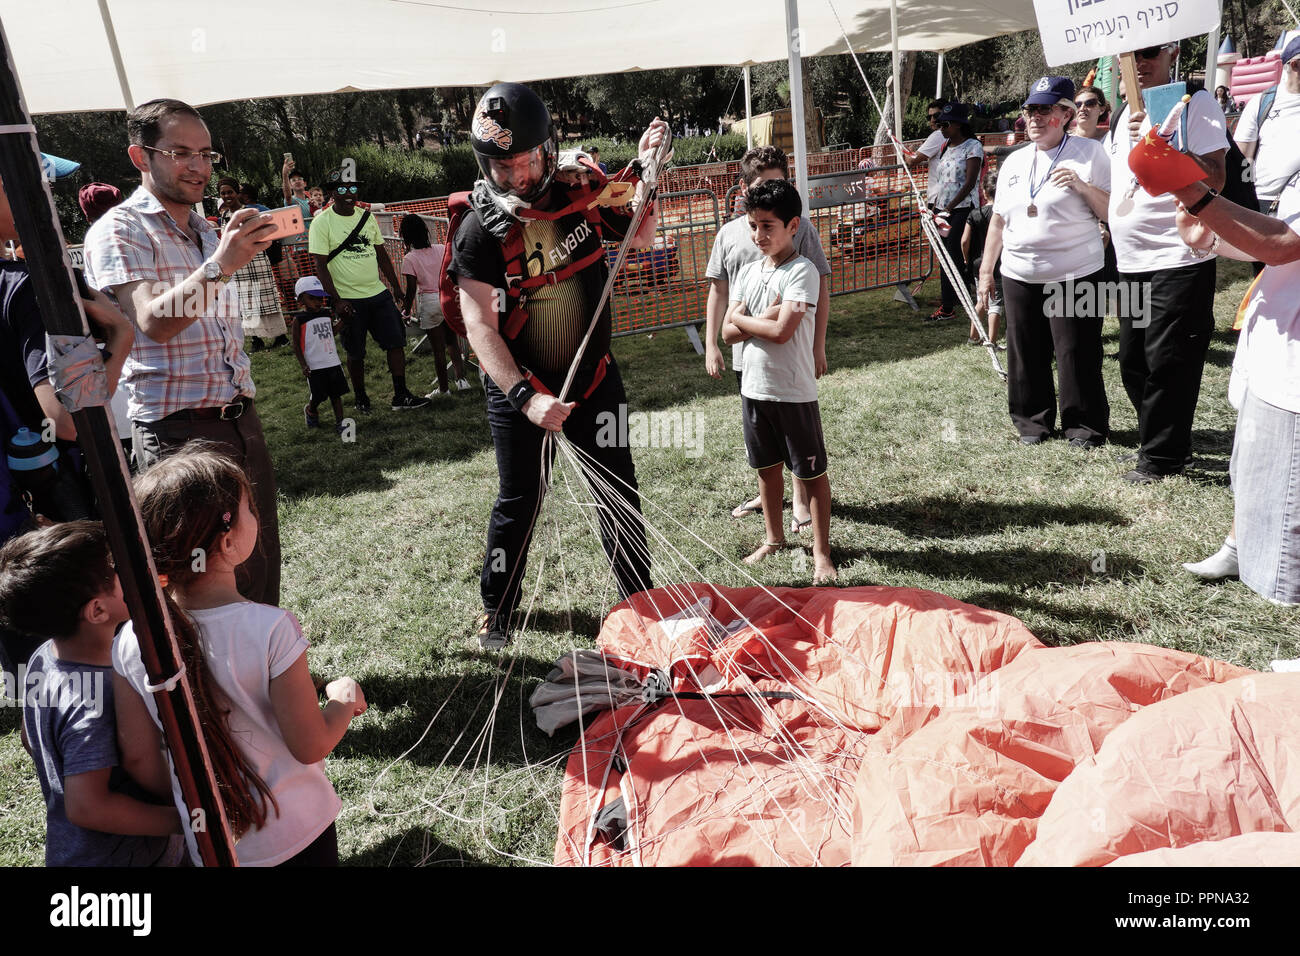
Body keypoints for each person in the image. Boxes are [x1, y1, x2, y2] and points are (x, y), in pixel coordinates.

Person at [449, 82, 664, 649]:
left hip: (593, 379)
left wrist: (647, 171)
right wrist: (526, 398)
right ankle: (497, 606)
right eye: (503, 167)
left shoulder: (584, 193)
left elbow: (641, 233)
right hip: (521, 390)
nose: (518, 178)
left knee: (618, 491)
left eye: (526, 162)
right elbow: (480, 327)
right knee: (520, 500)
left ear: (548, 150)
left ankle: (637, 604)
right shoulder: (478, 232)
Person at [113, 444, 368, 865]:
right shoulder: (271, 629)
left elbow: (140, 756)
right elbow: (310, 745)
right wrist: (342, 700)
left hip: (212, 843)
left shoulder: (129, 641)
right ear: (229, 542)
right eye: (250, 506)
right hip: (299, 834)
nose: (258, 515)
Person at [81, 97, 283, 606]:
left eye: (207, 154)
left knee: (255, 558)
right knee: (200, 582)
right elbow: (153, 322)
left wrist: (223, 254)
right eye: (180, 153)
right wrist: (222, 264)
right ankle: (209, 686)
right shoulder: (119, 229)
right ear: (140, 156)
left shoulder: (207, 231)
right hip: (179, 431)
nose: (198, 166)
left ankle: (267, 673)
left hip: (239, 418)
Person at [0, 521, 185, 866]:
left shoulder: (44, 656)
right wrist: (184, 820)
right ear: (97, 610)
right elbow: (88, 807)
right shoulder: (94, 700)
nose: (129, 572)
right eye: (117, 569)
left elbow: (30, 736)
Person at [1169, 129, 1300, 603]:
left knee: (1286, 492)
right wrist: (1213, 241)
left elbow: (1285, 243)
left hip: (1293, 361)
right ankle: (1242, 544)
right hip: (1274, 342)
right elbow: (1279, 244)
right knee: (1252, 467)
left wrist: (1194, 193)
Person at [1107, 43, 1229, 483]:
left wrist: (1165, 145)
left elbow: (1216, 175)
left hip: (1178, 255)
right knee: (1132, 360)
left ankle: (1162, 458)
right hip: (1131, 259)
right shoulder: (1122, 114)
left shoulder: (1194, 102)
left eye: (1149, 51)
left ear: (1171, 52)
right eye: (1129, 54)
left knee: (1169, 360)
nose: (1139, 62)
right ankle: (1161, 440)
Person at [979, 76, 1112, 448]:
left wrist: (1082, 187)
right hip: (1019, 273)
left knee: (1076, 352)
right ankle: (1032, 423)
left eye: (1044, 109)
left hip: (1075, 271)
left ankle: (1083, 427)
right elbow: (1000, 219)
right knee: (1025, 351)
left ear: (1066, 114)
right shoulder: (1015, 161)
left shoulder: (1089, 154)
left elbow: (1112, 211)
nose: (1034, 117)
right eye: (1030, 110)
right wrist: (986, 271)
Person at [703, 145, 831, 531]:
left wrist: (818, 343)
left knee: (793, 434)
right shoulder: (728, 234)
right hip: (747, 357)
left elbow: (818, 285)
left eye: (780, 185)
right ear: (745, 188)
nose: (772, 194)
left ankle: (800, 504)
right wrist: (712, 342)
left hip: (787, 356)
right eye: (763, 186)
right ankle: (768, 497)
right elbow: (719, 294)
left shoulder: (800, 228)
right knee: (763, 438)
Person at [720, 179, 835, 584]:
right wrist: (758, 318)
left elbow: (784, 331)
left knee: (810, 475)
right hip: (754, 389)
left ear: (793, 225)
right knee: (766, 469)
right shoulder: (749, 271)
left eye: (768, 226)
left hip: (793, 391)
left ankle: (822, 553)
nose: (758, 235)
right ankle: (774, 538)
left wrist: (745, 318)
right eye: (753, 226)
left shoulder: (803, 271)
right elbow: (726, 333)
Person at [308, 169, 430, 412]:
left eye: (353, 188)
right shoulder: (321, 222)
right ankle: (361, 398)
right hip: (348, 299)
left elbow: (382, 256)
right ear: (332, 192)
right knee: (356, 352)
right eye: (342, 189)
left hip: (377, 293)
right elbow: (320, 266)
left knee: (396, 343)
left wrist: (396, 288)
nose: (349, 194)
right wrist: (337, 300)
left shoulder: (366, 217)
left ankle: (401, 395)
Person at [398, 213, 469, 397]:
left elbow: (411, 289)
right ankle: (462, 380)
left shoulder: (410, 258)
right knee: (452, 341)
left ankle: (444, 389)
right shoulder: (440, 249)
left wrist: (405, 309)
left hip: (429, 302)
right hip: (446, 297)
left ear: (406, 236)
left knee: (438, 350)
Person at [216, 177, 289, 352]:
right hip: (237, 264)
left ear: (237, 193)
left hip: (256, 259)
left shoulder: (250, 212)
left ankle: (280, 336)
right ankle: (256, 339)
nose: (227, 196)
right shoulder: (224, 217)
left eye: (230, 192)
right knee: (246, 302)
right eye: (223, 193)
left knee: (267, 298)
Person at [927, 102, 983, 321]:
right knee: (946, 256)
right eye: (940, 124)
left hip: (961, 210)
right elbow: (941, 180)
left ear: (959, 125)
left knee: (954, 256)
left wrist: (949, 208)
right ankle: (952, 301)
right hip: (942, 210)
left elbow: (969, 182)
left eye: (946, 124)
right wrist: (935, 207)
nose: (941, 129)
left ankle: (950, 305)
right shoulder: (944, 147)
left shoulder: (972, 146)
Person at [1233, 39, 1300, 223]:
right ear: (1295, 65)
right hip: (1266, 204)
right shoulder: (1262, 102)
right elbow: (1244, 158)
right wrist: (1246, 200)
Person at [290, 276, 349, 434]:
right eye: (312, 298)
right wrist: (303, 364)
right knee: (319, 395)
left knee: (336, 394)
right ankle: (311, 409)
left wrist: (344, 320)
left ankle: (340, 423)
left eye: (320, 298)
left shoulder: (326, 314)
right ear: (301, 300)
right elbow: (295, 344)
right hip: (314, 366)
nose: (318, 302)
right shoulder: (299, 320)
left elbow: (332, 332)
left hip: (332, 362)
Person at [963, 166, 1004, 348]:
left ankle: (973, 337)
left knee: (981, 299)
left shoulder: (975, 213)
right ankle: (991, 340)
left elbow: (964, 240)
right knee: (996, 303)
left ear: (984, 192)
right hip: (999, 262)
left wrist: (966, 258)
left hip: (978, 264)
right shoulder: (1004, 213)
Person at [906, 100, 949, 210]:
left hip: (938, 198)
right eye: (929, 117)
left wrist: (906, 151)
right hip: (946, 196)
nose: (932, 120)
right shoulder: (953, 134)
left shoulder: (938, 135)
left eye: (936, 115)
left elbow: (911, 160)